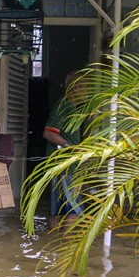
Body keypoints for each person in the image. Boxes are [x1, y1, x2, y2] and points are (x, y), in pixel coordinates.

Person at [42, 71, 85, 228]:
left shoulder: (73, 108)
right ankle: (68, 250)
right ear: (75, 87)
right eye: (86, 86)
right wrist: (71, 147)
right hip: (64, 168)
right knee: (74, 211)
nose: (88, 91)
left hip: (65, 167)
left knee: (59, 213)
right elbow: (48, 133)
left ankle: (53, 248)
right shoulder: (63, 105)